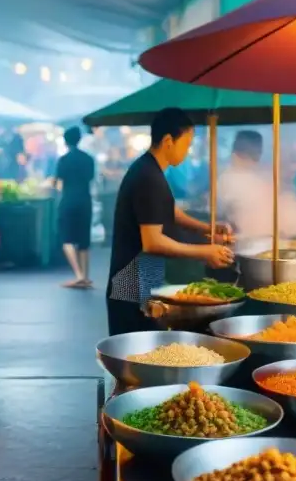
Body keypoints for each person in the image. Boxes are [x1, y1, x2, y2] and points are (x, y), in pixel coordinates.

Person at [106, 108, 234, 336]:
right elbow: (152, 242)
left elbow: (169, 211)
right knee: (135, 357)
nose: (188, 151)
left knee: (147, 352)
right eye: (186, 144)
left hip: (142, 276)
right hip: (132, 283)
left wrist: (208, 229)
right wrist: (205, 252)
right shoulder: (148, 177)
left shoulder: (149, 170)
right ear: (167, 141)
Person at [55, 126, 96, 289]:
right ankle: (85, 276)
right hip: (85, 201)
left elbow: (58, 182)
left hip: (68, 201)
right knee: (84, 239)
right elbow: (91, 178)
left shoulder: (63, 160)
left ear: (65, 141)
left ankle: (78, 275)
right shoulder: (89, 159)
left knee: (66, 239)